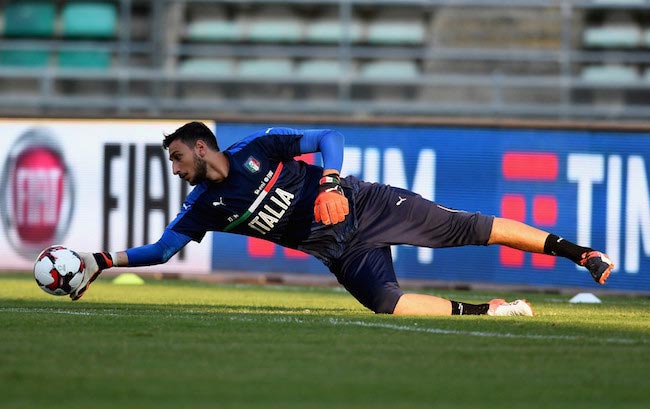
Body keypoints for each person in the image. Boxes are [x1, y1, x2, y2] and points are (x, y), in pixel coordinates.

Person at [70, 122, 614, 317]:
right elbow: (162, 252)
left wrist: (329, 181)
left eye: (176, 157)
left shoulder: (259, 147)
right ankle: (487, 311)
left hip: (365, 205)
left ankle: (579, 252)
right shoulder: (202, 208)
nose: (175, 168)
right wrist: (102, 260)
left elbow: (329, 138)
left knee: (472, 228)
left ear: (200, 145)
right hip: (339, 249)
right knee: (388, 305)